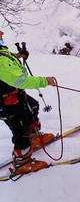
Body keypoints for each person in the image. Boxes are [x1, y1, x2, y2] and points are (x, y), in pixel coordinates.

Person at [0, 31, 57, 172]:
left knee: (33, 107)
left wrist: (18, 56)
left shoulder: (2, 52)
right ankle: (21, 162)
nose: (2, 37)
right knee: (21, 129)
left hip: (14, 95)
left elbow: (7, 60)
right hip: (6, 102)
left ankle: (34, 138)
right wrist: (44, 81)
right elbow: (20, 80)